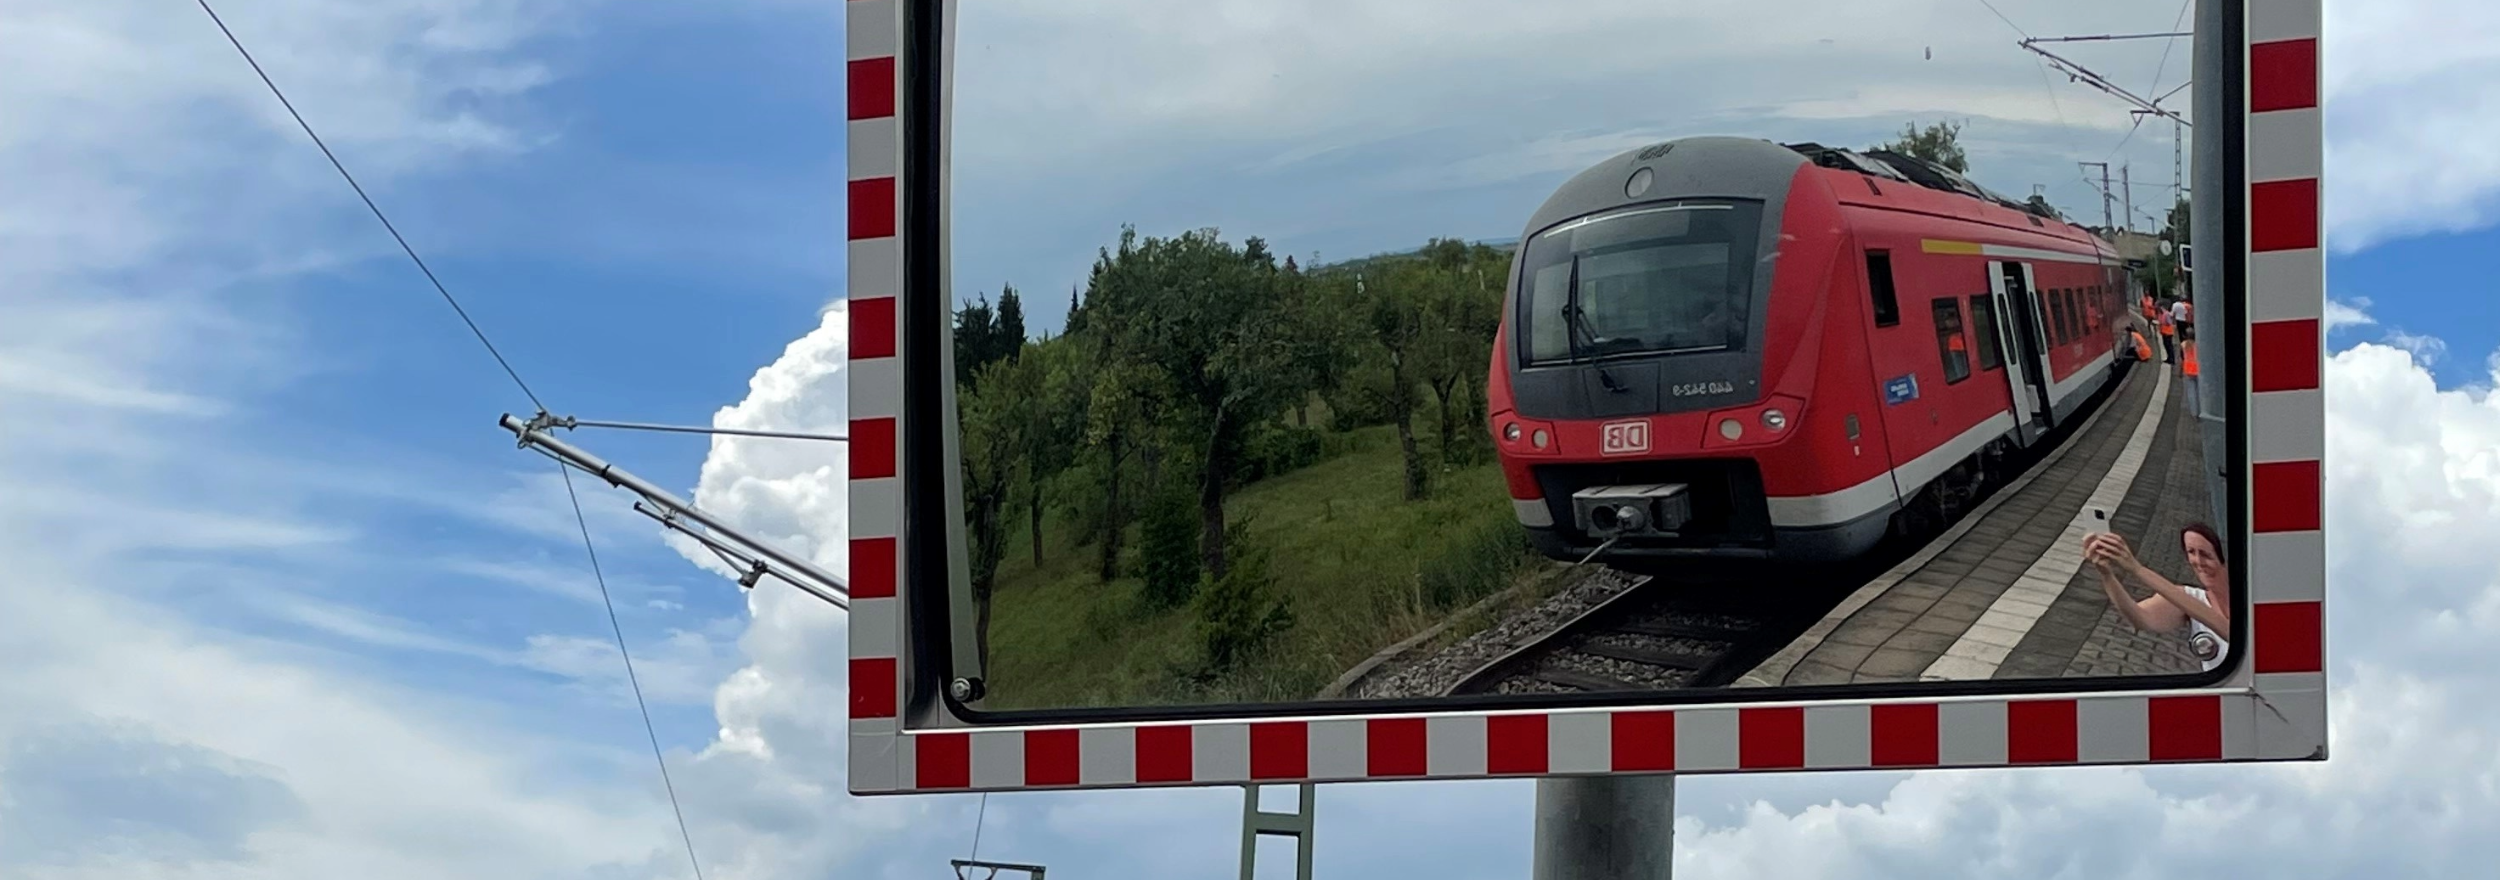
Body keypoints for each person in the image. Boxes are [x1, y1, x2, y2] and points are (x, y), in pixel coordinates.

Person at [2083, 523, 2231, 672]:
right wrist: (2107, 575)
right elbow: (2140, 618)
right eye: (2191, 552)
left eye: (2206, 554)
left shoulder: (2252, 602)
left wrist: (2137, 568)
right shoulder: (2190, 597)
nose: (2198, 562)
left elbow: (2225, 629)